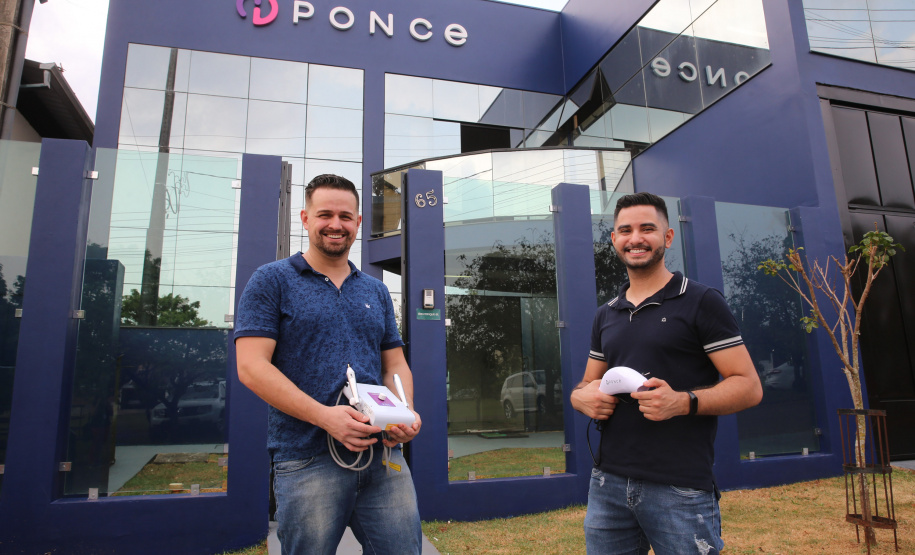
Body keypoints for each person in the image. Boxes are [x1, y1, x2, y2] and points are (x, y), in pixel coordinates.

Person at [234, 174, 423, 555]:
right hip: (307, 460)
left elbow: (395, 362)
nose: (335, 224)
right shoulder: (272, 281)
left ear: (358, 223)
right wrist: (325, 417)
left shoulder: (375, 290)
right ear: (305, 218)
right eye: (325, 215)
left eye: (345, 216)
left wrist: (405, 412)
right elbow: (251, 367)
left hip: (383, 458)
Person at [570, 192, 762, 554]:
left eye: (647, 228)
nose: (635, 238)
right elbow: (585, 384)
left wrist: (683, 401)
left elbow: (749, 387)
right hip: (607, 484)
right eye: (624, 230)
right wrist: (581, 398)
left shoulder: (702, 301)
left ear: (668, 237)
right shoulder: (606, 313)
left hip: (680, 488)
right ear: (614, 239)